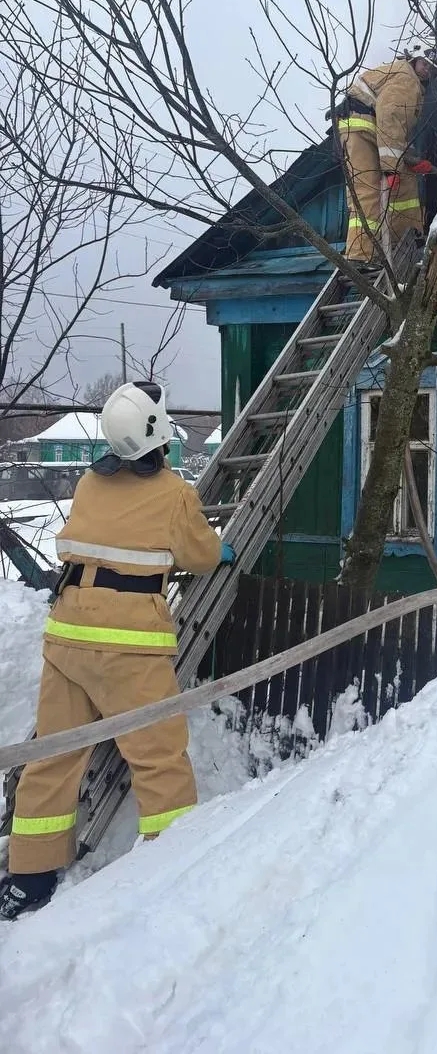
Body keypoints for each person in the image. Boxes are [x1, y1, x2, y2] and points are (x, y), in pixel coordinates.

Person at [0, 381, 234, 921]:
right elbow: (198, 555)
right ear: (159, 432)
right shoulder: (175, 493)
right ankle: (171, 861)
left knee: (53, 755)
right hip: (130, 647)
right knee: (157, 758)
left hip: (68, 637)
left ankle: (30, 877)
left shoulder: (89, 483)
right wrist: (218, 550)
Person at [337, 46, 437, 264]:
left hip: (369, 129)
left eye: (432, 69)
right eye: (425, 64)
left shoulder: (407, 79)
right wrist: (390, 167)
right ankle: (361, 256)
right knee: (369, 192)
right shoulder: (407, 79)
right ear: (414, 59)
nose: (427, 71)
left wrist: (410, 159)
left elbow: (397, 131)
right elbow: (390, 119)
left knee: (405, 182)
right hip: (363, 127)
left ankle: (403, 239)